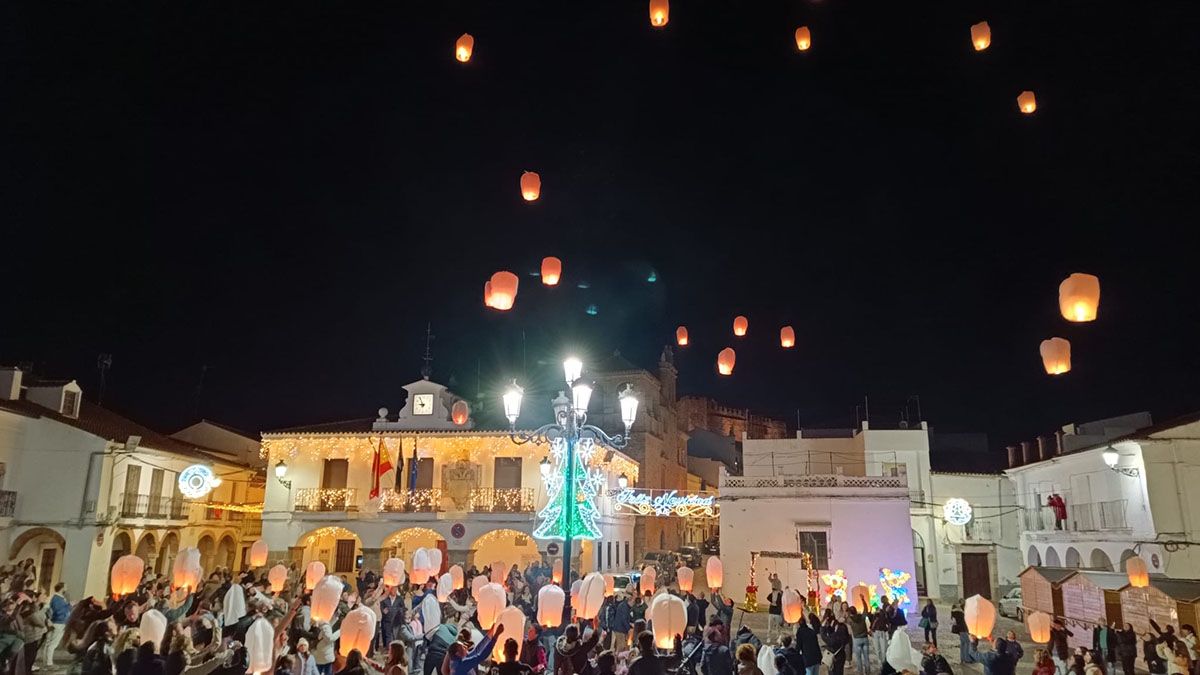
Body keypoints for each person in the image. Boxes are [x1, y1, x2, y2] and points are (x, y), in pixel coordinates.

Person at [42, 582, 71, 668]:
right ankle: (49, 663)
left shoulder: (57, 598)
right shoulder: (57, 599)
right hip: (59, 622)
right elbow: (59, 611)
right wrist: (69, 606)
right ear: (62, 588)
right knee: (52, 644)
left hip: (56, 622)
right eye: (65, 587)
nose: (66, 589)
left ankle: (46, 662)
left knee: (49, 643)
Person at [846, 608, 868, 675]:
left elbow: (849, 630)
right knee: (866, 658)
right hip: (865, 638)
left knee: (858, 659)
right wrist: (863, 599)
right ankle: (868, 673)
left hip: (856, 639)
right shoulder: (862, 617)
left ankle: (860, 673)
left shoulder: (849, 620)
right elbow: (866, 609)